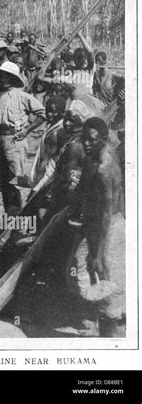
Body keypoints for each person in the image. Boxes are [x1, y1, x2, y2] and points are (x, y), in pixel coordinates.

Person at [72, 117, 125, 337]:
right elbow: (84, 189)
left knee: (106, 277)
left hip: (109, 228)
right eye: (84, 139)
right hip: (95, 224)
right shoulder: (93, 157)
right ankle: (98, 323)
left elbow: (106, 213)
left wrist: (100, 251)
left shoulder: (104, 166)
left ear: (102, 139)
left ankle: (112, 335)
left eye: (91, 140)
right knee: (80, 269)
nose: (86, 144)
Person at [0, 61, 45, 215]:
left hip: (15, 141)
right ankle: (10, 215)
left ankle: (19, 218)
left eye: (7, 76)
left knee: (15, 179)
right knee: (3, 181)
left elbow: (42, 114)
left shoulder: (22, 96)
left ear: (13, 78)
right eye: (1, 76)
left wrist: (27, 130)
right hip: (0, 140)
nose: (2, 79)